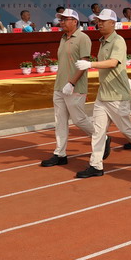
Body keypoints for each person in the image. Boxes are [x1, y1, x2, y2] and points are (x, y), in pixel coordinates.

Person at [73, 9, 131, 178]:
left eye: (103, 21)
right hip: (103, 94)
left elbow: (113, 62)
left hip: (117, 95)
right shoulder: (103, 41)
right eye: (98, 21)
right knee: (98, 131)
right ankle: (95, 165)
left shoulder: (118, 41)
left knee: (126, 129)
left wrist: (90, 65)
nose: (99, 23)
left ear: (112, 23)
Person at [39, 9, 98, 167]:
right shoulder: (63, 38)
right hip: (59, 86)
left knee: (79, 120)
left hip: (75, 87)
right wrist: (63, 83)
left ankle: (101, 137)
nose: (62, 22)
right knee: (60, 121)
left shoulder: (83, 38)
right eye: (61, 19)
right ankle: (60, 153)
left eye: (65, 19)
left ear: (75, 21)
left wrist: (71, 82)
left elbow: (84, 64)